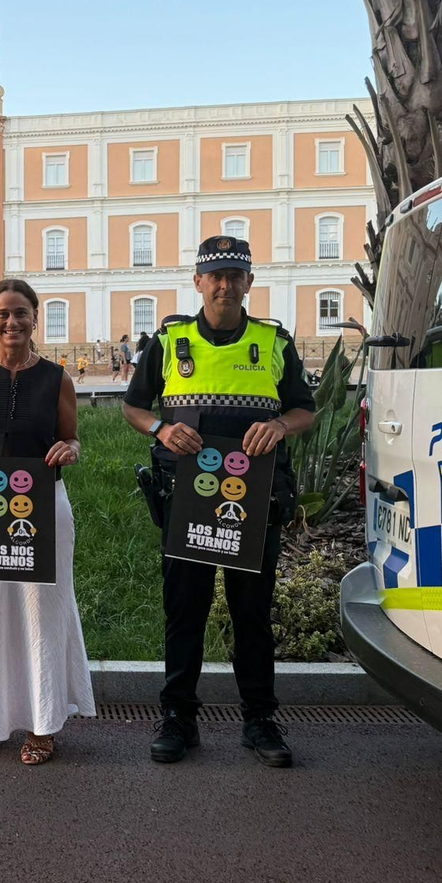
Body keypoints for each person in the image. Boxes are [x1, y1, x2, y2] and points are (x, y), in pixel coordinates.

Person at [122, 236, 316, 768]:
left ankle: (260, 720)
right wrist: (161, 429)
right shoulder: (169, 339)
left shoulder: (274, 341)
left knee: (252, 613)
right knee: (184, 610)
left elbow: (306, 410)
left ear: (249, 283)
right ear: (199, 282)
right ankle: (178, 717)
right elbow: (134, 407)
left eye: (236, 275)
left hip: (254, 499)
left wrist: (279, 425)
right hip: (187, 497)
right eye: (216, 276)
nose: (226, 285)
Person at [0, 279, 94, 765]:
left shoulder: (57, 378)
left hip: (43, 508)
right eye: (3, 313)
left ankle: (44, 720)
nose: (12, 322)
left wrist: (65, 450)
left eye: (22, 313)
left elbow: (72, 440)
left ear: (35, 318)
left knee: (41, 610)